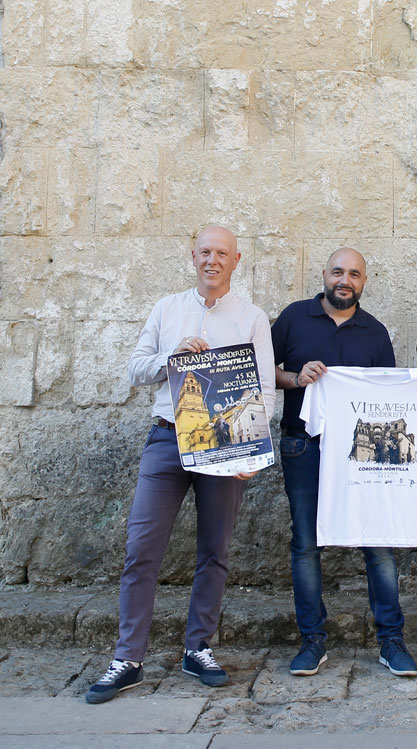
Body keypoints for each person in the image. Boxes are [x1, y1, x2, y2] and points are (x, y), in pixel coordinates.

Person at [86, 226, 276, 704]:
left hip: (223, 445)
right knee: (141, 548)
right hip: (166, 438)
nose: (213, 260)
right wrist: (171, 359)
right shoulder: (167, 309)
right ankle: (128, 658)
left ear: (237, 261)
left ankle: (198, 648)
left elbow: (266, 393)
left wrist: (249, 449)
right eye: (205, 252)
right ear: (193, 257)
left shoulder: (253, 318)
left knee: (215, 550)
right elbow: (135, 369)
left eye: (222, 254)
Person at [271, 247, 417, 678]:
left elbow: (389, 398)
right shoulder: (294, 317)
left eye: (354, 274)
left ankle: (391, 641)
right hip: (304, 446)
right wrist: (296, 377)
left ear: (363, 281)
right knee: (305, 544)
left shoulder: (374, 332)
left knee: (378, 540)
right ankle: (312, 641)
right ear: (324, 274)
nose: (344, 280)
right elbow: (262, 370)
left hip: (361, 454)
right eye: (338, 271)